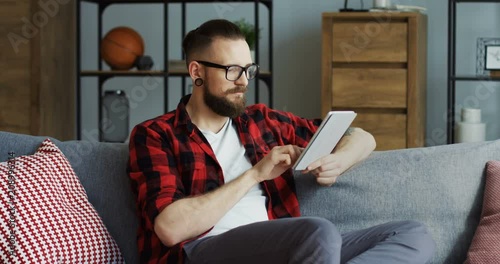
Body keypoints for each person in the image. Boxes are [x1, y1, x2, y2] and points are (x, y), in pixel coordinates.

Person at [128, 19, 435, 264]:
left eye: (248, 70)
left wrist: (339, 160)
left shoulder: (263, 122)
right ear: (196, 71)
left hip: (291, 250)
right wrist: (255, 174)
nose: (244, 82)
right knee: (318, 231)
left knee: (411, 234)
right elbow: (170, 229)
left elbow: (361, 136)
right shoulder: (156, 135)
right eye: (232, 70)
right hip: (204, 250)